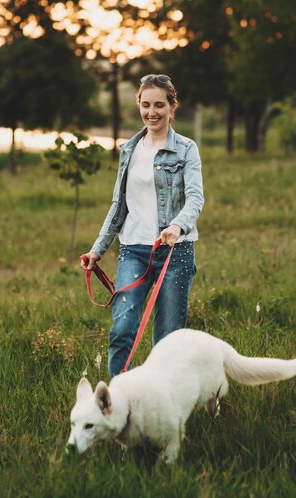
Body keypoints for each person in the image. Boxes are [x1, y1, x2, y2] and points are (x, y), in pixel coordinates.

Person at [80, 74, 204, 377]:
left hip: (175, 254)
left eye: (159, 105)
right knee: (122, 330)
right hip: (134, 251)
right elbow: (118, 205)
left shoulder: (187, 149)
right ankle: (120, 402)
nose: (152, 112)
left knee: (168, 341)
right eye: (146, 105)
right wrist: (98, 249)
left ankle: (164, 403)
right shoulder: (129, 150)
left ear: (172, 106)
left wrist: (177, 226)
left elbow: (195, 198)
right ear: (139, 105)